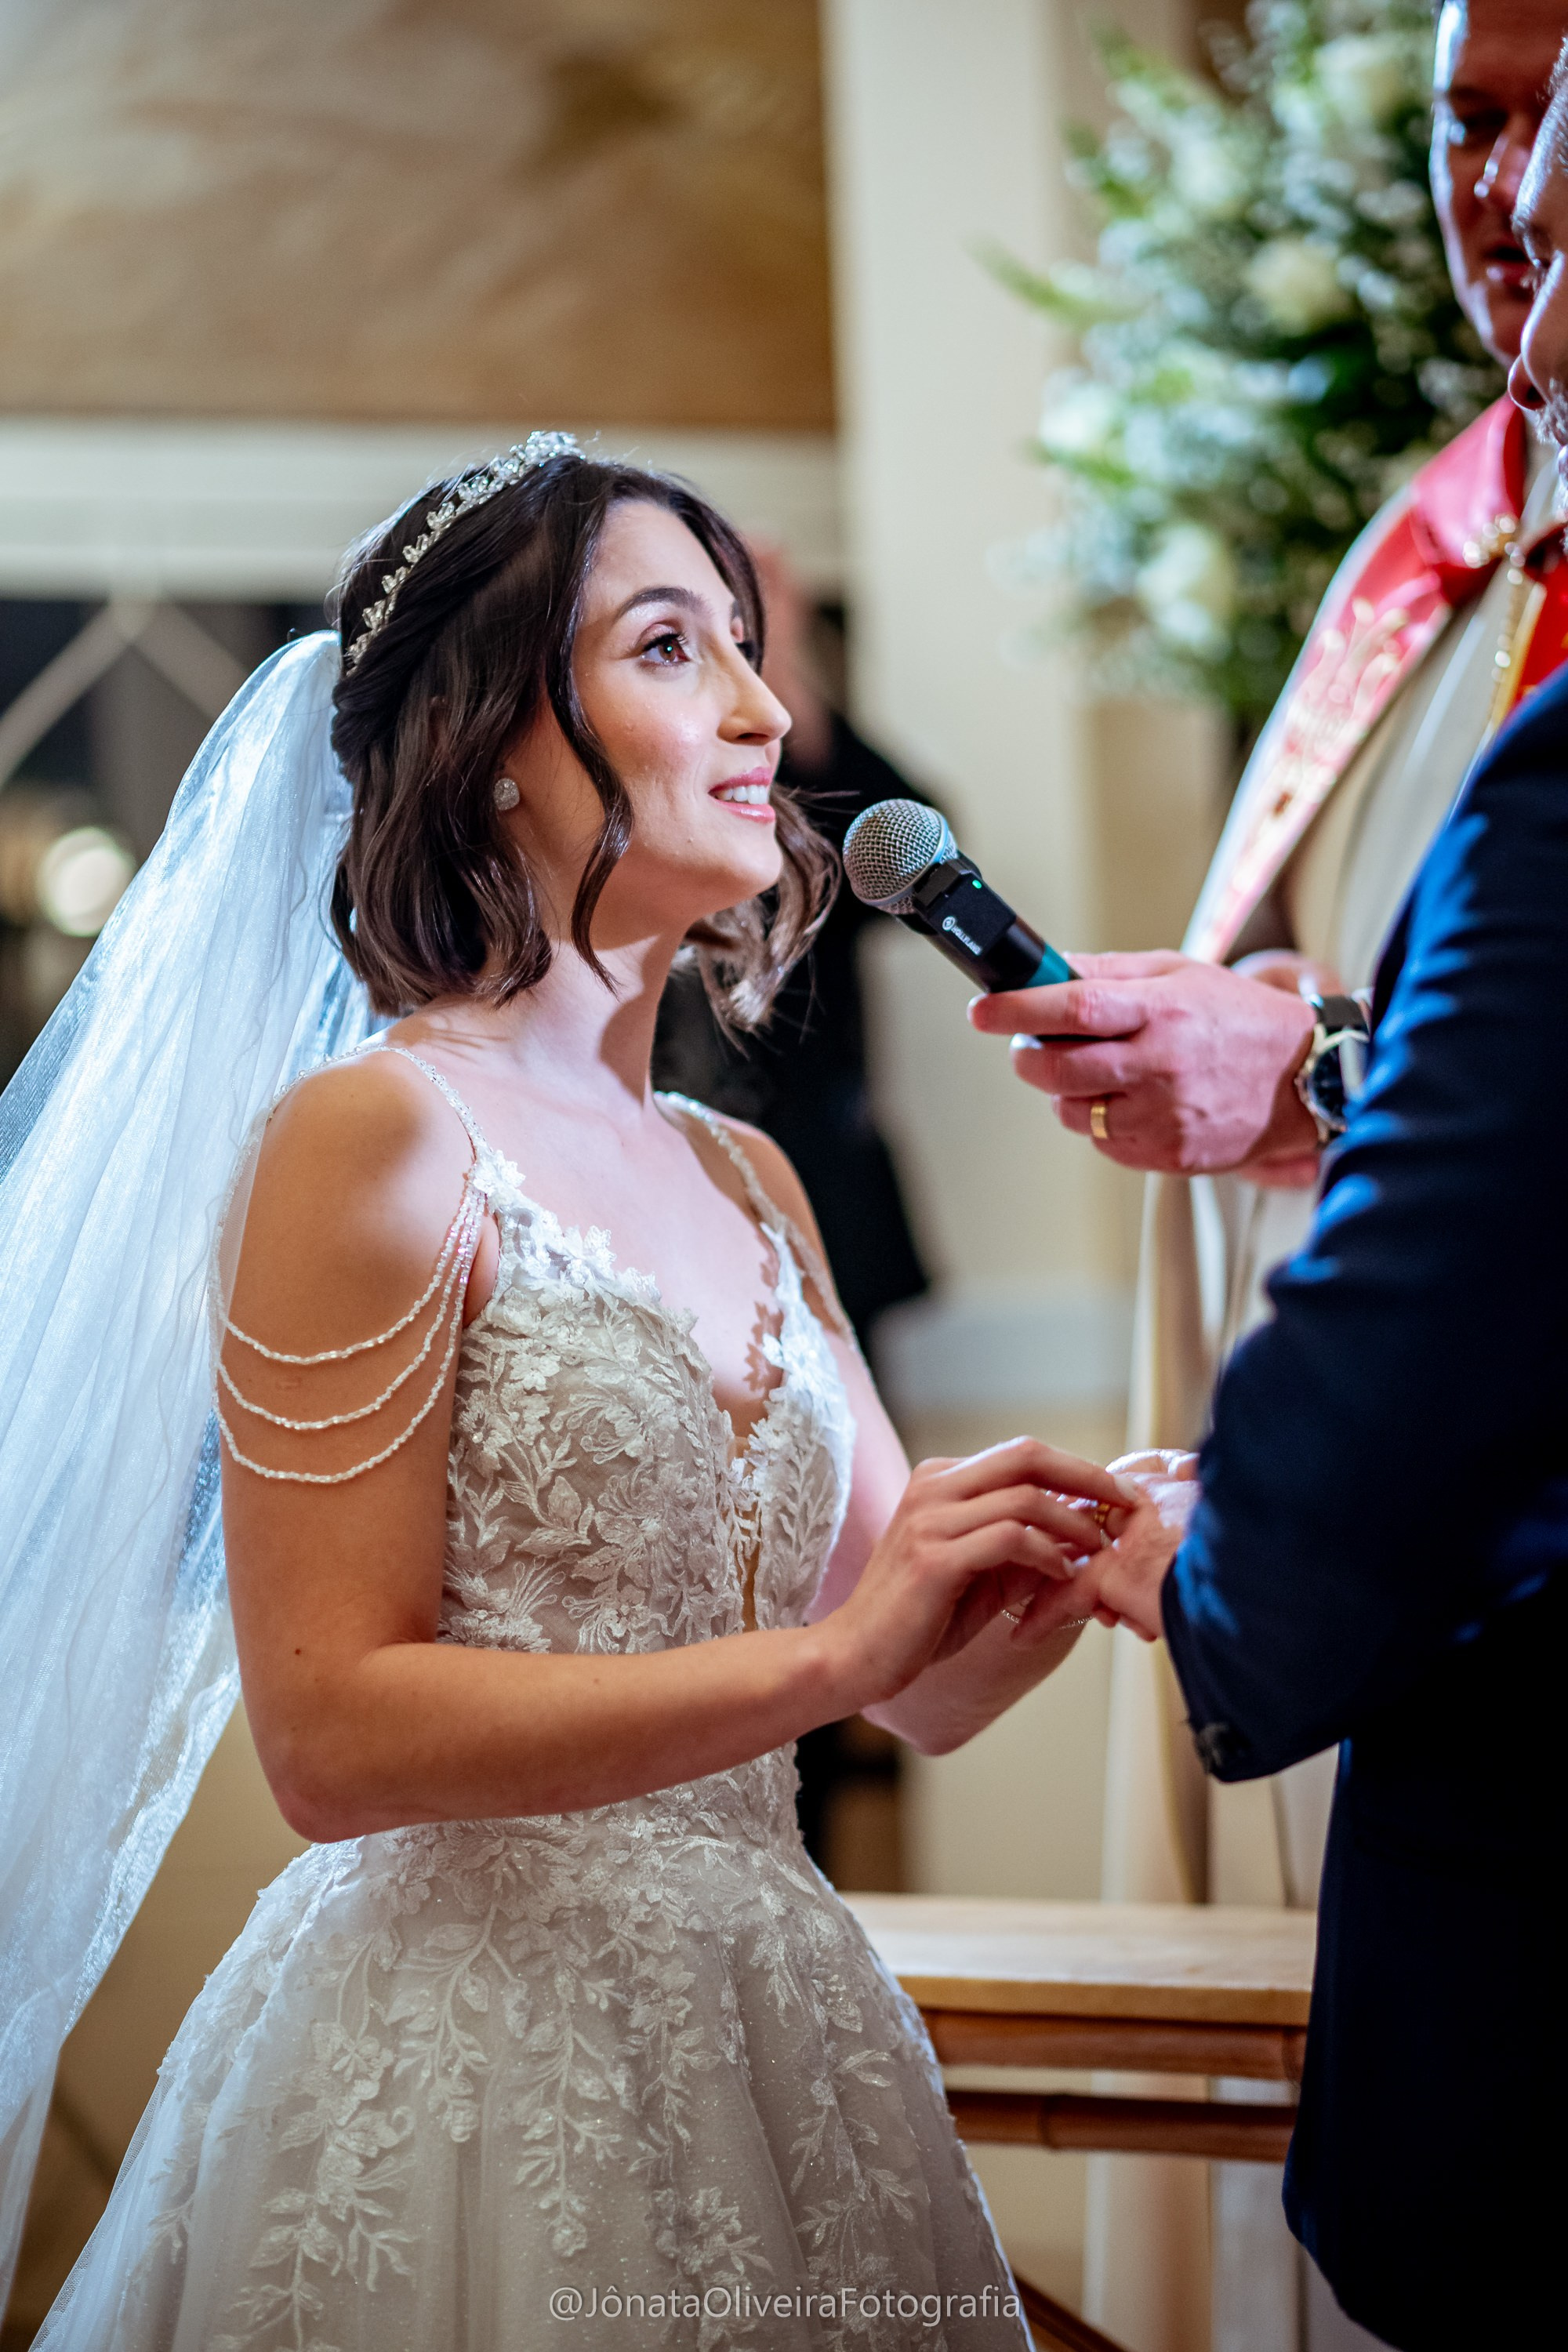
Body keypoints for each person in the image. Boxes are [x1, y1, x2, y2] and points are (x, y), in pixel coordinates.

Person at [4, 439, 1130, 2350]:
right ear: (492, 736)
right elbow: (333, 1737)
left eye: (748, 646)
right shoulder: (371, 1142)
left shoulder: (744, 1175)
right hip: (468, 2064)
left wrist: (1072, 1547)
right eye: (673, 648)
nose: (767, 710)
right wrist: (832, 1660)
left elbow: (919, 1684)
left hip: (780, 2029)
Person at [976, 9, 1568, 2343]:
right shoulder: (1436, 551)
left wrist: (1228, 1564)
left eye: (1557, 121)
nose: (1509, 196)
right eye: (1470, 126)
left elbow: (1500, 1154)